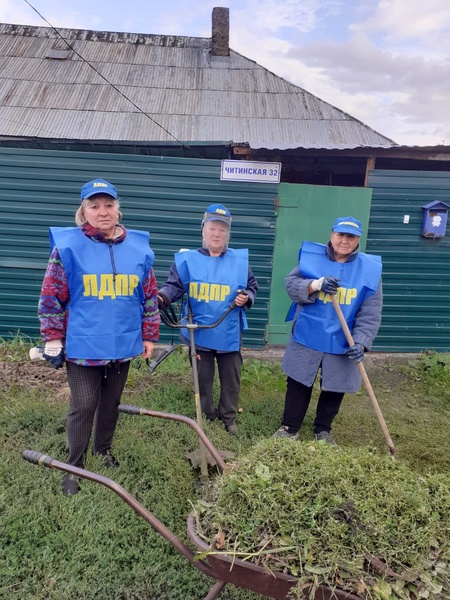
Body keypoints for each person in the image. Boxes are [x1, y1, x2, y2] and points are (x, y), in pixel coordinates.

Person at [38, 178, 160, 496]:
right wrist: (53, 337)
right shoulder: (68, 248)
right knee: (85, 403)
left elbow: (148, 297)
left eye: (108, 205)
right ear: (84, 212)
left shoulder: (137, 249)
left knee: (111, 403)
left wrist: (149, 336)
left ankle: (103, 450)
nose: (102, 211)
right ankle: (73, 467)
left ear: (118, 210)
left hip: (122, 344)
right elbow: (51, 298)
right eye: (94, 206)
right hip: (83, 345)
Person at [274, 216, 382, 444]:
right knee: (298, 382)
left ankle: (322, 430)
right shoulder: (311, 258)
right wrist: (314, 285)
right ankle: (289, 427)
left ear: (358, 240)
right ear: (332, 235)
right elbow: (291, 284)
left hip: (342, 339)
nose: (344, 240)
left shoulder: (370, 269)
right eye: (340, 234)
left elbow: (371, 312)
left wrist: (361, 342)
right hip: (308, 335)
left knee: (335, 386)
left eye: (350, 236)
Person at [157, 203, 258, 435]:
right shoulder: (187, 261)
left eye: (222, 230)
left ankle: (229, 417)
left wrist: (247, 297)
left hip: (229, 331)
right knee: (202, 377)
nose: (217, 234)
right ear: (203, 230)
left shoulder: (239, 262)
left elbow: (252, 286)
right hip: (199, 332)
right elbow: (174, 286)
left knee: (231, 378)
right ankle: (207, 413)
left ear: (227, 234)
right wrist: (162, 297)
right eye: (212, 228)